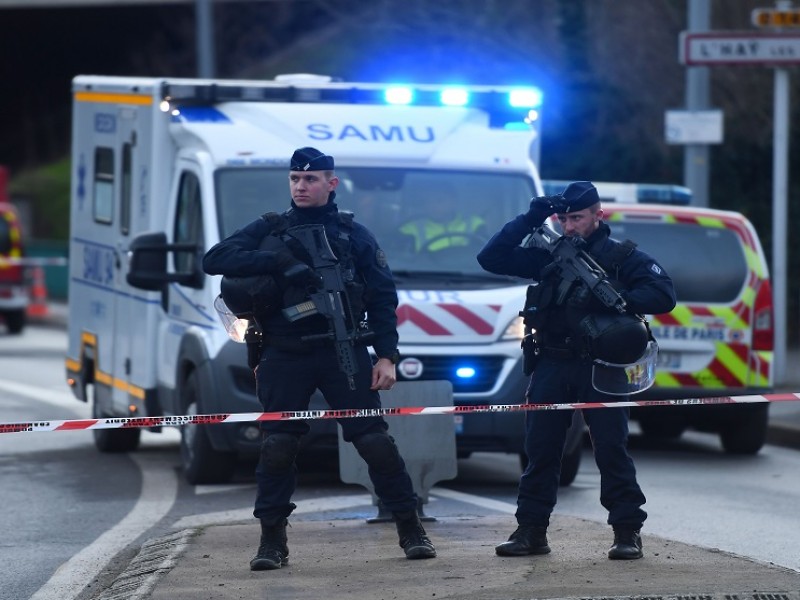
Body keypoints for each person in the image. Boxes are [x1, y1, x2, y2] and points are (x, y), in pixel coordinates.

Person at [203, 147, 436, 571]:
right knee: (277, 446)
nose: (300, 186)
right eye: (295, 179)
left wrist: (386, 355)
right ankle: (272, 541)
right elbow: (214, 259)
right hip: (283, 352)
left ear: (332, 184)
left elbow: (383, 297)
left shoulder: (352, 234)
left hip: (342, 350)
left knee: (374, 443)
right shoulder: (270, 228)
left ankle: (410, 527)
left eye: (310, 179)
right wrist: (276, 261)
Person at [476, 181, 676, 560]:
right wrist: (530, 218)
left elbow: (664, 294)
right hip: (552, 361)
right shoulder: (550, 255)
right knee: (541, 450)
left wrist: (615, 301)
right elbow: (492, 258)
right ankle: (531, 531)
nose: (569, 226)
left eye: (578, 218)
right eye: (563, 218)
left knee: (611, 448)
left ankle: (626, 531)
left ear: (598, 215)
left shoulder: (621, 256)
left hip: (601, 366)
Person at [399, 182, 486, 252]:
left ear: (454, 202)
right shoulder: (409, 230)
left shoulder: (475, 224)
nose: (432, 206)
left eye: (439, 200)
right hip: (426, 273)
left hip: (470, 273)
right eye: (427, 202)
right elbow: (403, 261)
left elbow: (485, 256)